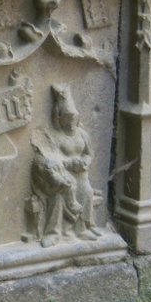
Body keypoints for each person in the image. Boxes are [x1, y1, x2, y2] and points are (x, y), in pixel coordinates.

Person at [31, 84, 101, 247]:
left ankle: (82, 228)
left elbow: (89, 153)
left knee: (87, 191)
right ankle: (54, 233)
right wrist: (68, 163)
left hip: (80, 174)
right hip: (59, 174)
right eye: (67, 119)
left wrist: (85, 162)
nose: (71, 123)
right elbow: (48, 158)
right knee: (60, 193)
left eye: (73, 119)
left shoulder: (82, 134)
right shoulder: (53, 136)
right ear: (59, 117)